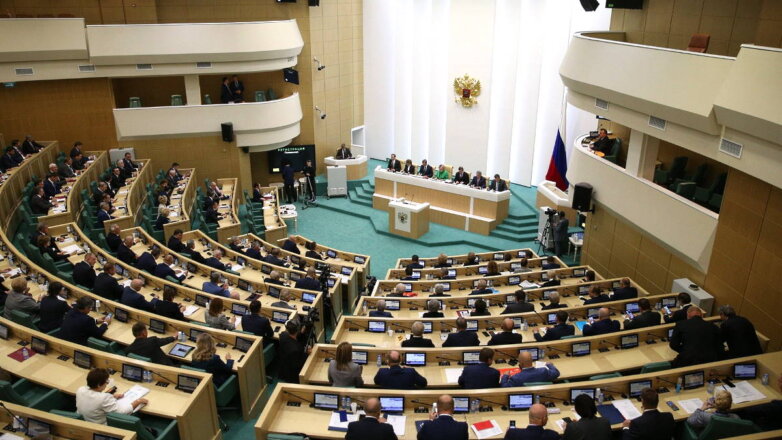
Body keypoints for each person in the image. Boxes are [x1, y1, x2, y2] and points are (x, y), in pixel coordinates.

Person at [76, 368, 147, 425]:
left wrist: (112, 397)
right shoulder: (104, 398)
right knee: (137, 413)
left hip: (84, 423)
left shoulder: (80, 390)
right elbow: (122, 413)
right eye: (106, 382)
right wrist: (138, 401)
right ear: (99, 384)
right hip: (100, 427)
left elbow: (94, 398)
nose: (107, 384)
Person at [277, 318, 310, 383]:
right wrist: (307, 353)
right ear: (297, 330)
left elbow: (293, 336)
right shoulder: (295, 349)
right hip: (292, 374)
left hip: (284, 365)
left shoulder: (283, 335)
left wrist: (301, 333)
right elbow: (298, 364)